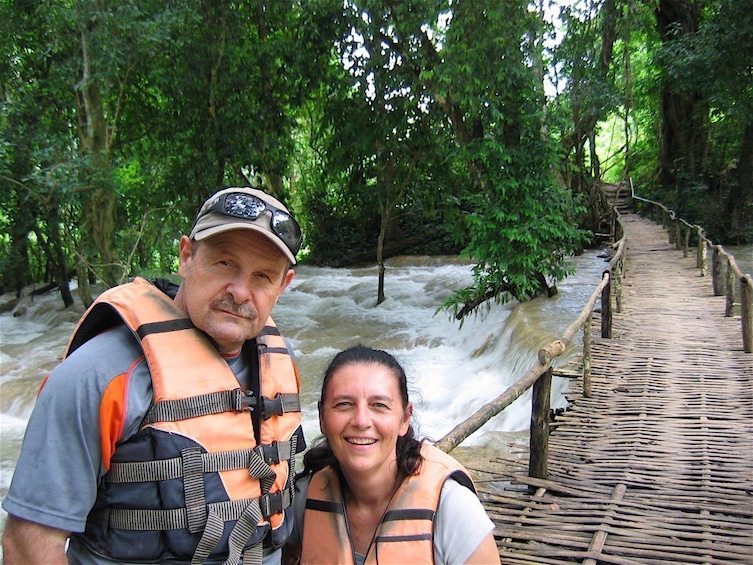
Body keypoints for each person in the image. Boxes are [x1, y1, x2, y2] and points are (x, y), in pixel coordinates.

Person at [2, 187, 307, 565]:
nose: (240, 292)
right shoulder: (98, 375)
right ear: (186, 256)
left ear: (284, 284)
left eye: (262, 276)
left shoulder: (281, 362)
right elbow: (28, 544)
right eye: (225, 263)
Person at [283, 345, 500, 565]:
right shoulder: (304, 499)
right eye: (344, 404)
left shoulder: (452, 506)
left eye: (379, 405)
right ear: (321, 418)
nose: (361, 421)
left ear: (405, 418)